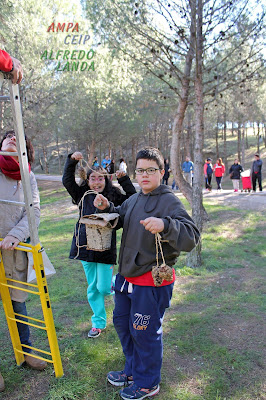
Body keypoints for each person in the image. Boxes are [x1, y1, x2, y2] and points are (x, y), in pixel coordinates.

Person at [94, 147, 200, 399]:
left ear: (162, 172)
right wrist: (107, 205)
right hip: (125, 278)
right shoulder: (135, 198)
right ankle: (132, 371)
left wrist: (165, 225)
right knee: (123, 325)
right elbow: (121, 216)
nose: (144, 175)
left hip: (150, 282)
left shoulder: (169, 200)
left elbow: (191, 236)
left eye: (150, 170)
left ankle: (147, 382)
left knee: (144, 332)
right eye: (140, 170)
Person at [62, 152, 136, 338]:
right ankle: (98, 322)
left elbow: (133, 199)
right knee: (93, 287)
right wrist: (72, 161)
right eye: (92, 179)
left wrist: (125, 179)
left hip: (104, 249)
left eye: (100, 179)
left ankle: (116, 283)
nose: (96, 182)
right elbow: (67, 181)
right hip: (84, 247)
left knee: (103, 288)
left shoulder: (113, 196)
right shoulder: (82, 195)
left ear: (106, 180)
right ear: (87, 181)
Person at [0, 130, 46, 392]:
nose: (12, 138)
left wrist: (15, 235)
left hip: (14, 252)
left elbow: (34, 208)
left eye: (17, 137)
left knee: (19, 307)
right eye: (8, 136)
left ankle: (26, 351)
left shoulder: (27, 175)